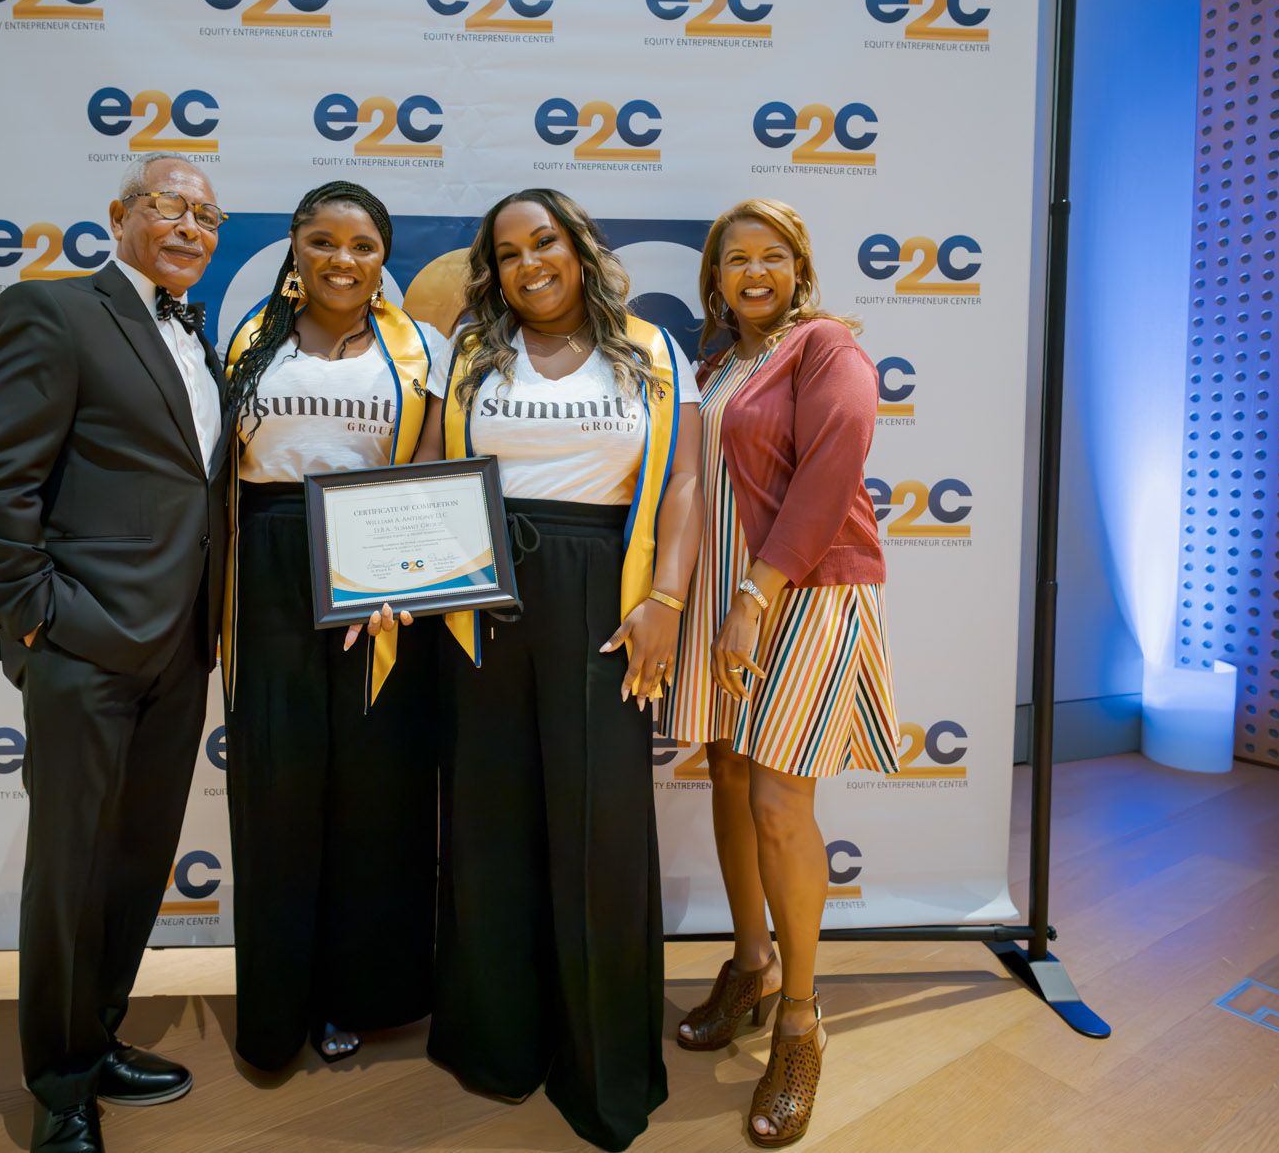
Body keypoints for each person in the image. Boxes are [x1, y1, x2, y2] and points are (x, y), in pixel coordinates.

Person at [0, 153, 230, 1153]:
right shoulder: (54, 312)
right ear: (119, 215)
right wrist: (34, 619)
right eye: (169, 205)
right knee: (70, 874)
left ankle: (98, 1034)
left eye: (207, 215)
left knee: (136, 862)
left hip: (182, 646)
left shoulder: (201, 338)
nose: (190, 226)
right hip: (83, 644)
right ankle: (60, 1084)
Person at [430, 188, 702, 1151]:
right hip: (482, 597)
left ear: (578, 249)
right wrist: (389, 575)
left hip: (604, 597)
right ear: (492, 272)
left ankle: (602, 1066)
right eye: (506, 254)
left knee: (600, 828)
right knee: (490, 819)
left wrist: (665, 600)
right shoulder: (469, 350)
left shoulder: (654, 351)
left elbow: (685, 481)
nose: (528, 264)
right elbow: (425, 474)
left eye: (542, 242)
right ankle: (500, 1043)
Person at [659, 198, 899, 1148]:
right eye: (735, 259)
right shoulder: (718, 366)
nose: (753, 273)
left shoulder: (827, 347)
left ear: (799, 266)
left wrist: (754, 598)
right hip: (730, 594)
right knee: (726, 772)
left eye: (771, 256)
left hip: (804, 591)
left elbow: (830, 475)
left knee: (776, 803)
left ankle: (801, 1019)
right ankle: (751, 964)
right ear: (714, 277)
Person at [218, 181, 449, 1070]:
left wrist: (400, 572)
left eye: (361, 245)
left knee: (375, 788)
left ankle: (362, 993)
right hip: (268, 563)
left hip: (375, 567)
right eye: (322, 241)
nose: (341, 260)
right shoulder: (247, 342)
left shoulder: (421, 347)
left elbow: (431, 466)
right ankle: (281, 1007)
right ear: (295, 247)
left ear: (384, 256)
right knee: (278, 785)